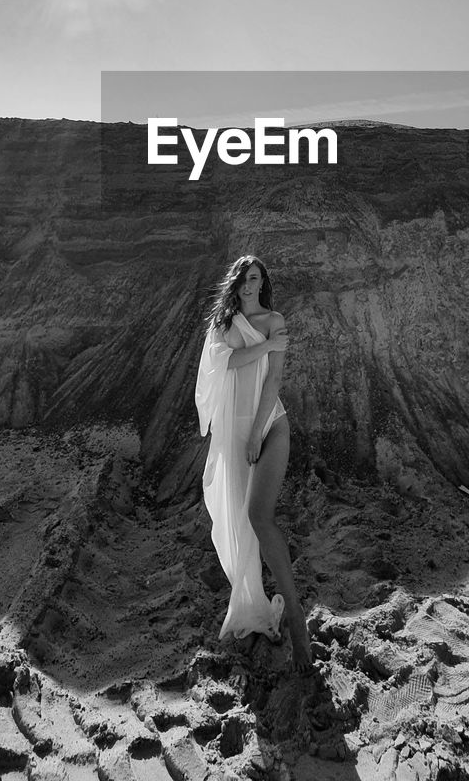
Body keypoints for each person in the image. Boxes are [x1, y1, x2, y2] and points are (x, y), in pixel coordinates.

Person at [195, 254, 313, 673]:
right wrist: (262, 347)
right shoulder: (223, 326)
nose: (250, 284)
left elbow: (274, 380)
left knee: (259, 517)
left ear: (263, 283)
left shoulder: (274, 319)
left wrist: (256, 433)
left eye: (256, 278)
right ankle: (252, 604)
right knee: (240, 526)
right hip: (234, 433)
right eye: (244, 278)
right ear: (236, 282)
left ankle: (299, 626)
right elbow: (223, 364)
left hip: (269, 424)